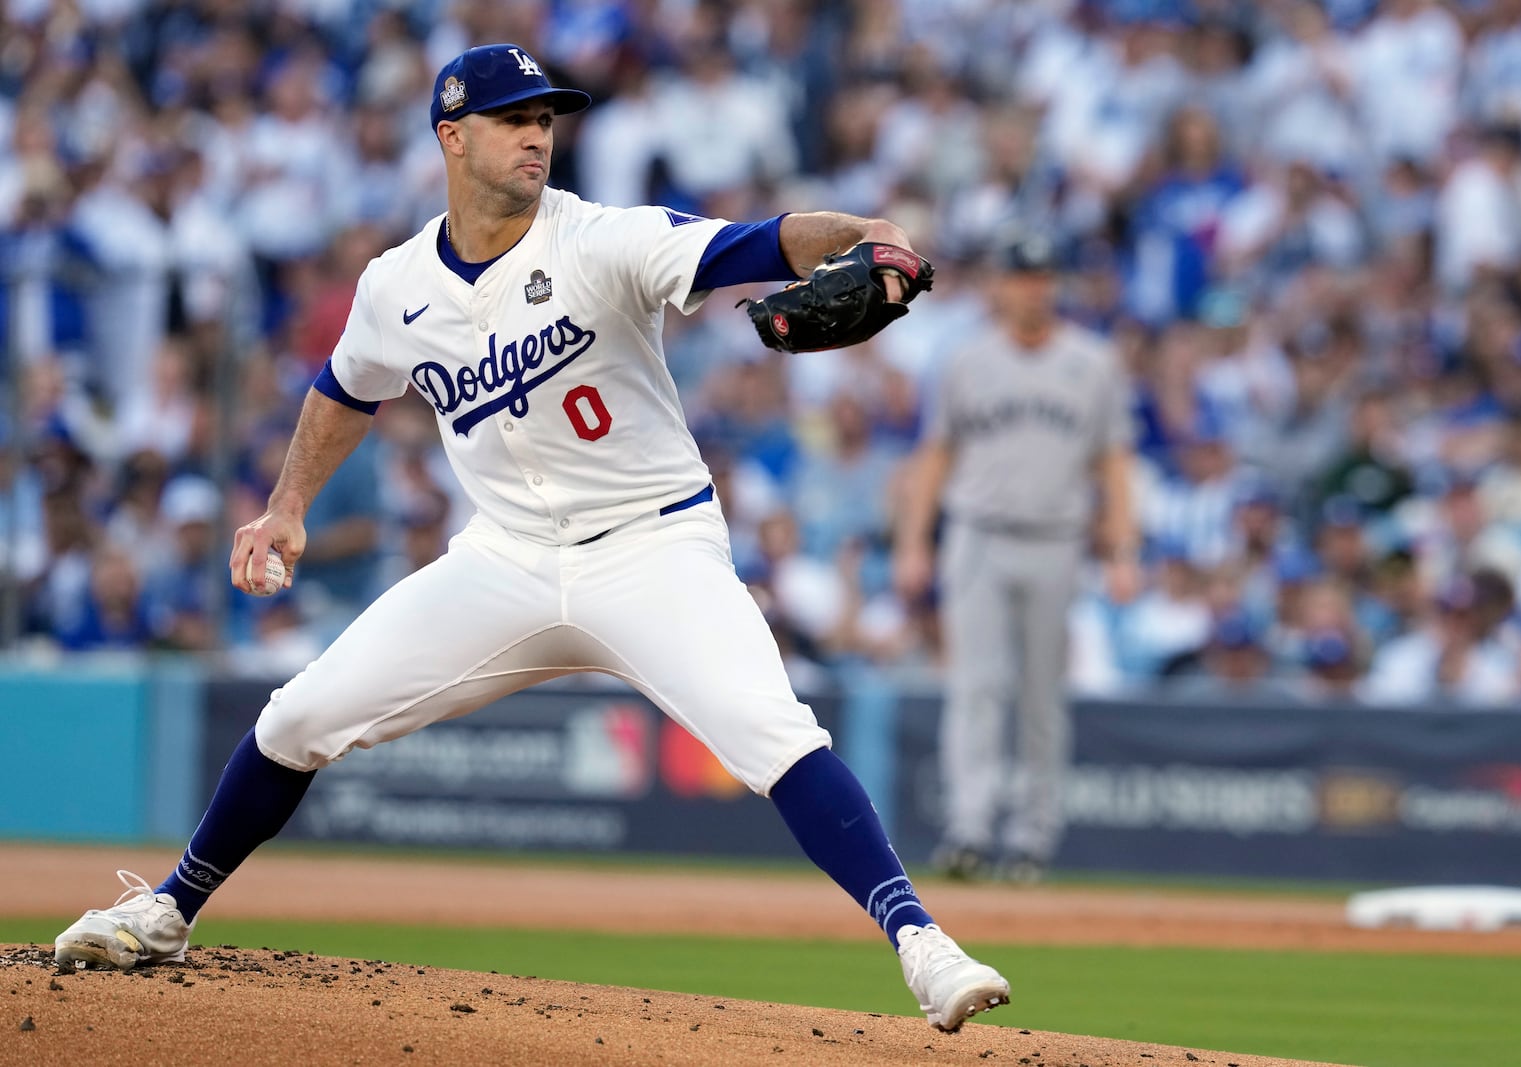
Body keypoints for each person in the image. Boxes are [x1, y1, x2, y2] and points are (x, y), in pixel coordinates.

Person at [53, 44, 1009, 1034]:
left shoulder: (602, 239)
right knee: (297, 717)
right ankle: (170, 906)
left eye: (545, 121)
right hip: (503, 559)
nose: (535, 138)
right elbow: (346, 387)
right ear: (451, 135)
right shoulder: (397, 284)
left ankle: (921, 943)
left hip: (653, 548)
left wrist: (866, 231)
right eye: (514, 120)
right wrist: (287, 503)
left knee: (774, 732)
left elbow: (760, 243)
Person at [893, 233, 1140, 883]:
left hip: (1057, 536)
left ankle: (1032, 838)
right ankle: (970, 830)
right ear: (1000, 284)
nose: (1033, 287)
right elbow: (935, 454)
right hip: (978, 532)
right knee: (975, 686)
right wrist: (915, 541)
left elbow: (1113, 461)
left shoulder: (1094, 362)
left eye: (1042, 275)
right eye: (1021, 275)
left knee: (1040, 697)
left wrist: (1122, 548)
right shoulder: (966, 360)